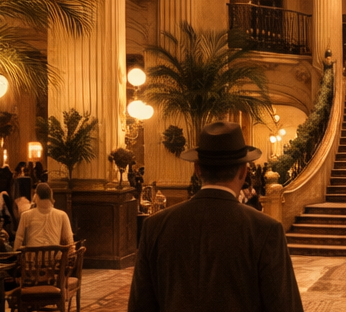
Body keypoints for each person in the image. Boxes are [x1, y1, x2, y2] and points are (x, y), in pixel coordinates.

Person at [129, 121, 303, 312]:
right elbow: (285, 306)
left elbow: (140, 306)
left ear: (197, 169)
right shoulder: (265, 229)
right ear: (244, 171)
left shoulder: (155, 226)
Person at [13, 184, 74, 250]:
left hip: (32, 259)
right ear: (51, 196)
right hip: (55, 259)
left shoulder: (25, 215)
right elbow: (69, 241)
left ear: (36, 196)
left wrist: (15, 256)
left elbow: (19, 239)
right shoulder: (62, 215)